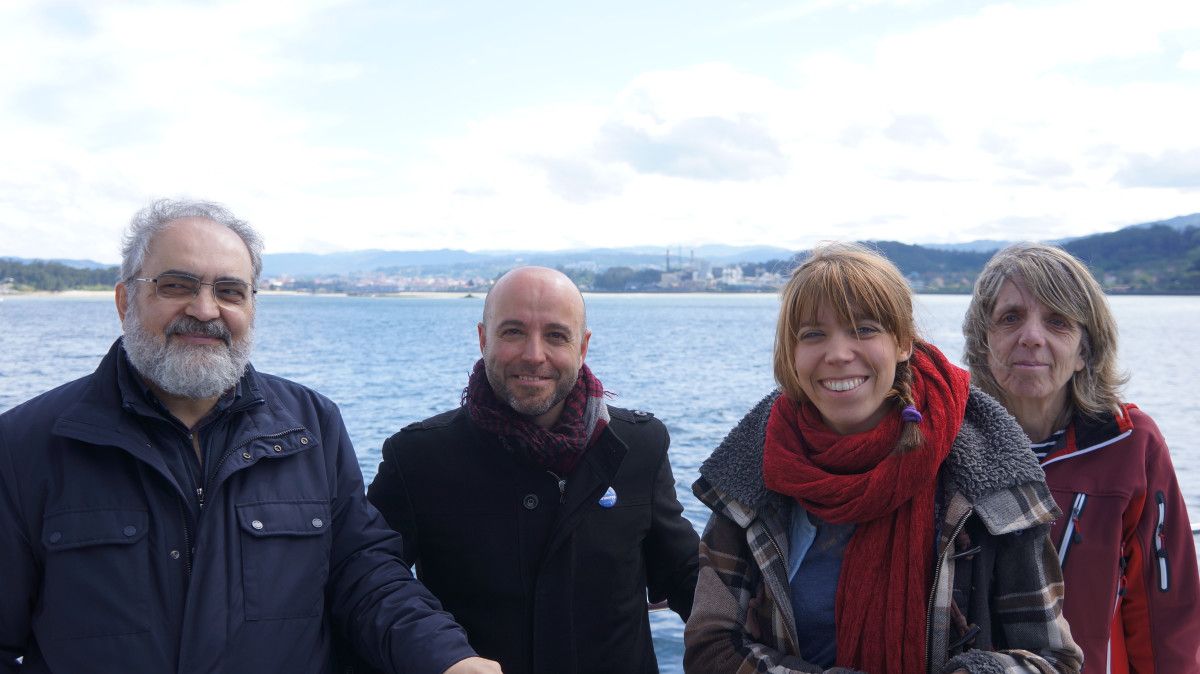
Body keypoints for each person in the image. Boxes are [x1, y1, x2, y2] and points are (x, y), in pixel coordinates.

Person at [0, 199, 499, 674]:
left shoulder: (311, 427)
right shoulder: (28, 445)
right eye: (176, 285)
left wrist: (447, 657)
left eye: (229, 291)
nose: (205, 309)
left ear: (253, 306)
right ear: (125, 299)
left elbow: (364, 574)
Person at [684, 243, 1082, 674]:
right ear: (791, 353)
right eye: (813, 334)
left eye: (864, 329)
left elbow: (1054, 659)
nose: (838, 353)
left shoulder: (985, 468)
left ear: (904, 342)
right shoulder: (758, 464)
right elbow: (710, 647)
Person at [367, 266, 699, 674]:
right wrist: (440, 654)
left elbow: (683, 572)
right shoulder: (418, 457)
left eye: (556, 335)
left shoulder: (637, 446)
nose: (534, 355)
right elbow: (371, 581)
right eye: (513, 332)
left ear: (583, 347)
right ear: (483, 339)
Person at [963, 242, 1200, 672]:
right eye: (1010, 317)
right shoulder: (950, 442)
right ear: (984, 341)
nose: (1032, 337)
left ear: (1084, 352)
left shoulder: (1129, 444)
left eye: (1057, 321)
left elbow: (1165, 611)